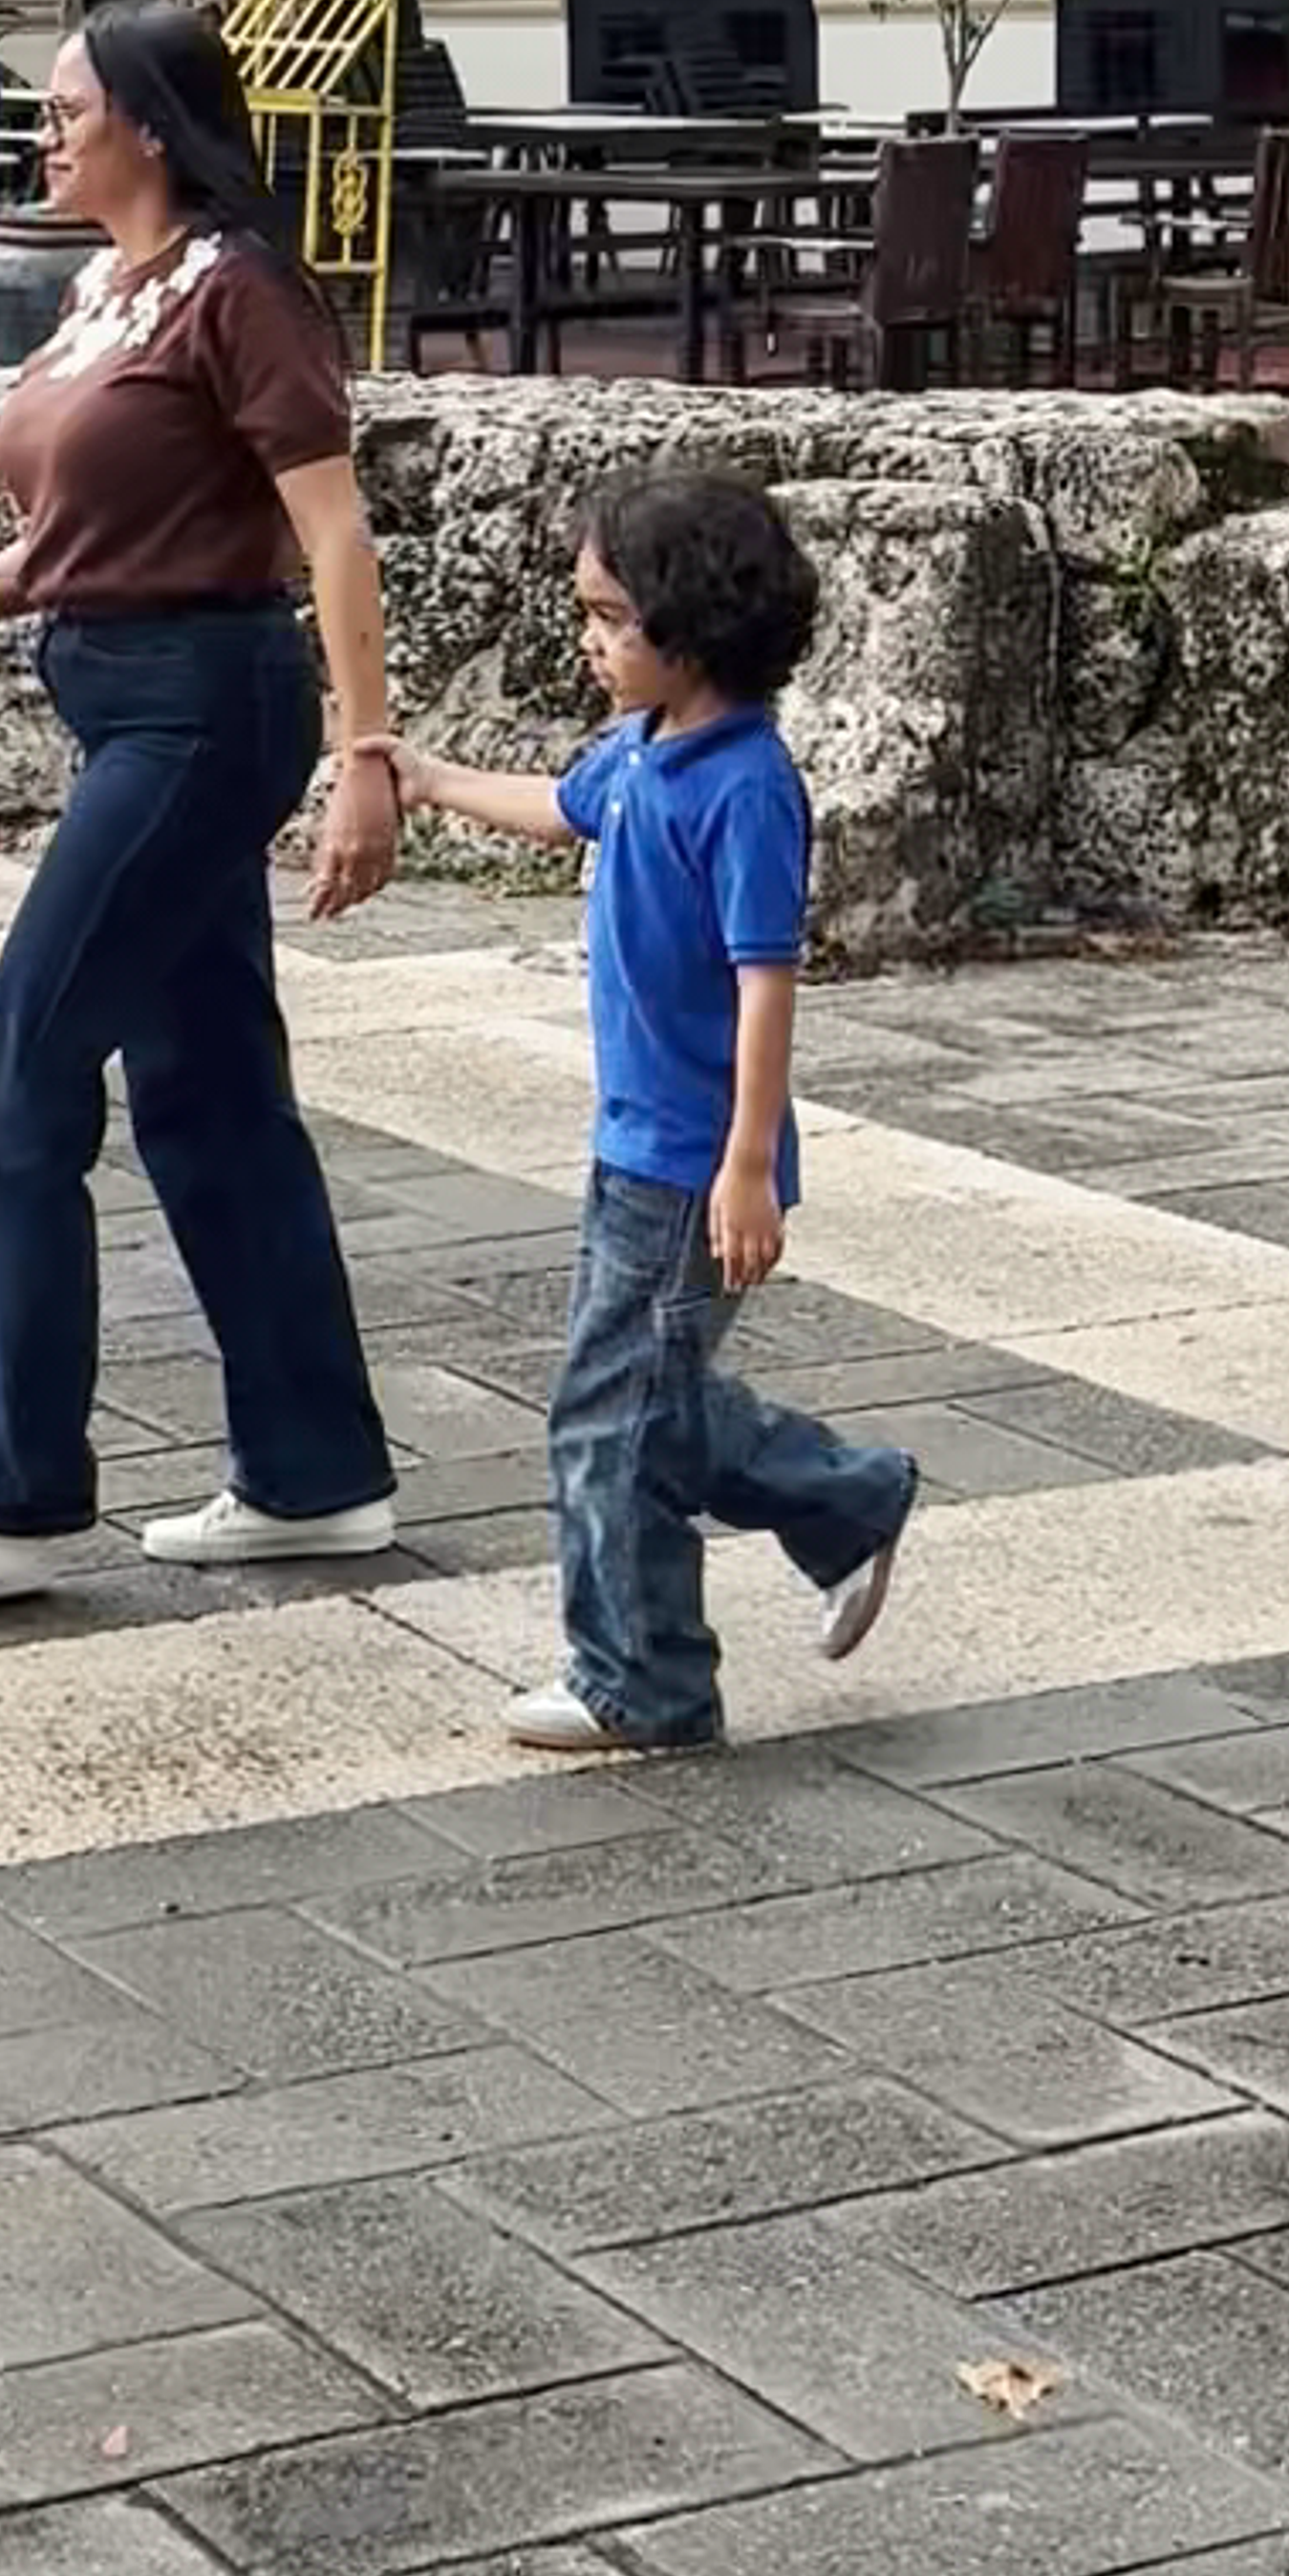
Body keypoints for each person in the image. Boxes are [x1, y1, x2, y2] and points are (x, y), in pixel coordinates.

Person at [0, 0, 403, 1620]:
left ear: (149, 120)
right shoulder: (99, 291)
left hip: (206, 714)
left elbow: (328, 536)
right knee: (207, 1093)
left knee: (15, 1075)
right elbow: (94, 525)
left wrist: (367, 754)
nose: (46, 133)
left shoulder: (243, 290)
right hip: (125, 697)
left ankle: (2, 1494)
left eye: (67, 108)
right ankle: (315, 1471)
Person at [399, 466, 914, 1758]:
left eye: (610, 617)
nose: (589, 639)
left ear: (692, 628)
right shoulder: (639, 750)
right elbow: (559, 810)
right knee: (645, 1394)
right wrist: (431, 776)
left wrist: (748, 1162)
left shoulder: (744, 786)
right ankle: (849, 1499)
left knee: (605, 1408)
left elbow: (767, 981)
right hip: (632, 1141)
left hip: (689, 1161)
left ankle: (646, 1678)